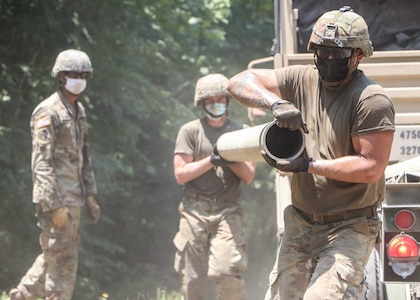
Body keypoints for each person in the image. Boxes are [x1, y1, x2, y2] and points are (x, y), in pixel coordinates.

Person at [227, 6, 395, 300]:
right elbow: (238, 82)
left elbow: (370, 167)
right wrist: (275, 104)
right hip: (302, 221)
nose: (329, 59)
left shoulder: (370, 100)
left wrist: (308, 165)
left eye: (338, 54)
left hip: (350, 225)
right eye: (323, 51)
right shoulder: (301, 79)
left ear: (357, 56)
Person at [9, 49, 100, 300]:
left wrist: (90, 195)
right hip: (56, 200)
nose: (79, 79)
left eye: (83, 75)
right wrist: (55, 204)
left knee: (56, 253)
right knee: (63, 260)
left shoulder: (78, 110)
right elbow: (41, 163)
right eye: (73, 74)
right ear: (61, 77)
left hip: (75, 197)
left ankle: (22, 295)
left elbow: (84, 155)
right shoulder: (47, 111)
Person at [172, 73, 256, 300]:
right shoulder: (190, 131)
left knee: (226, 269)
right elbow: (180, 174)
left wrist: (230, 158)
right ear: (202, 103)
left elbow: (248, 176)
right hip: (194, 210)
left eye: (220, 99)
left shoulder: (241, 131)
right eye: (210, 100)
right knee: (193, 278)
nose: (216, 104)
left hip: (228, 210)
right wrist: (211, 160)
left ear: (228, 100)